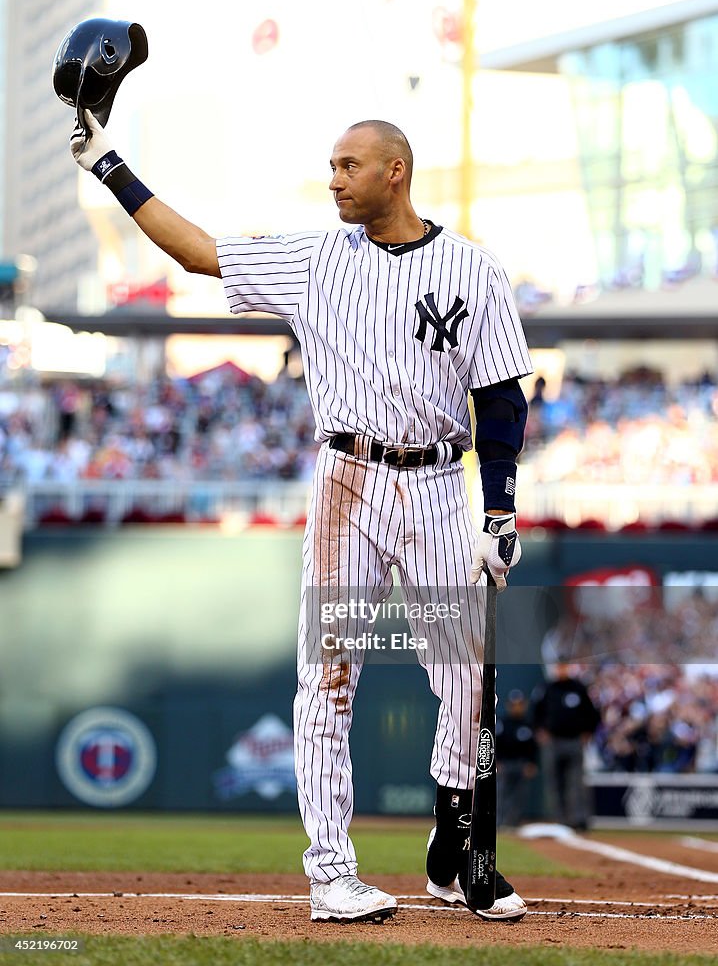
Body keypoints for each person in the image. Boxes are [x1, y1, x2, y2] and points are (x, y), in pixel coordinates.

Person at [69, 111, 533, 923]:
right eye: (330, 164)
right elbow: (197, 251)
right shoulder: (314, 259)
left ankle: (457, 838)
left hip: (435, 485)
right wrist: (108, 162)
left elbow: (498, 396)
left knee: (464, 684)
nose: (333, 178)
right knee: (328, 681)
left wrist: (498, 508)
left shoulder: (472, 268)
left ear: (396, 171)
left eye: (348, 164)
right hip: (347, 481)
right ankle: (331, 874)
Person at [530, 661, 601, 831]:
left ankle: (580, 819)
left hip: (574, 740)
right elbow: (533, 713)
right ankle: (560, 819)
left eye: (564, 666)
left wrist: (587, 732)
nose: (561, 670)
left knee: (576, 782)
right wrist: (540, 732)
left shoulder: (578, 688)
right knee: (555, 782)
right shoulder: (546, 688)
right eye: (558, 666)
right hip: (553, 741)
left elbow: (592, 713)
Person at [496, 689, 539, 828]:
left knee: (519, 796)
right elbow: (494, 743)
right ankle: (500, 823)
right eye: (514, 704)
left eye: (519, 704)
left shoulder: (528, 724)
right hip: (505, 763)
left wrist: (532, 763)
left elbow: (533, 747)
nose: (517, 707)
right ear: (509, 705)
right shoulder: (502, 723)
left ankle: (513, 823)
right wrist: (496, 761)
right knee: (501, 794)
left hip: (522, 764)